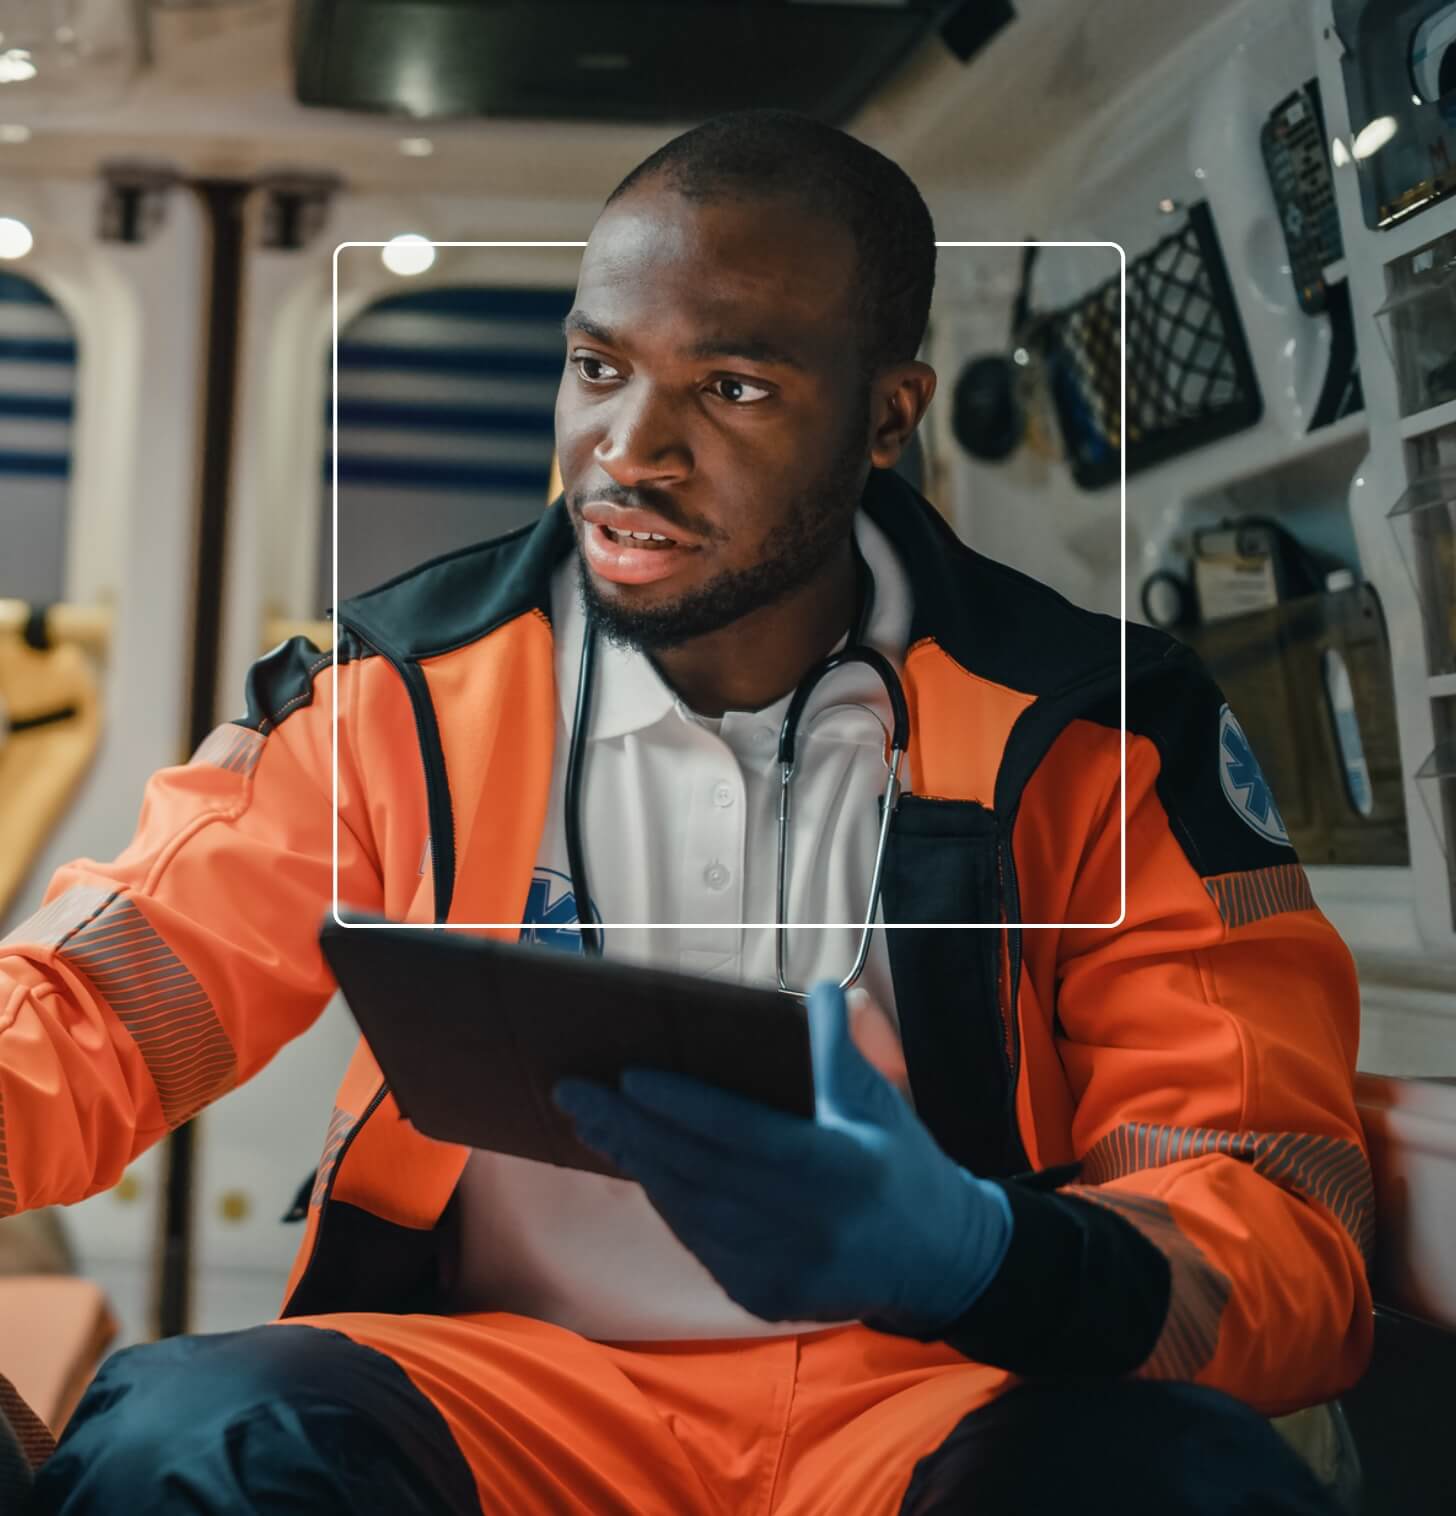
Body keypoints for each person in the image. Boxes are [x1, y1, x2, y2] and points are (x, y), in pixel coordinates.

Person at [3, 110, 1368, 1515]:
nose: (627, 448)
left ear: (887, 417)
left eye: (734, 388)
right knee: (186, 1439)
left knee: (1188, 1485)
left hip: (934, 1394)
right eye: (598, 367)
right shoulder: (385, 698)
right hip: (519, 1390)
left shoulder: (1101, 729)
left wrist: (979, 1255)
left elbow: (1279, 1220)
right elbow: (96, 1003)